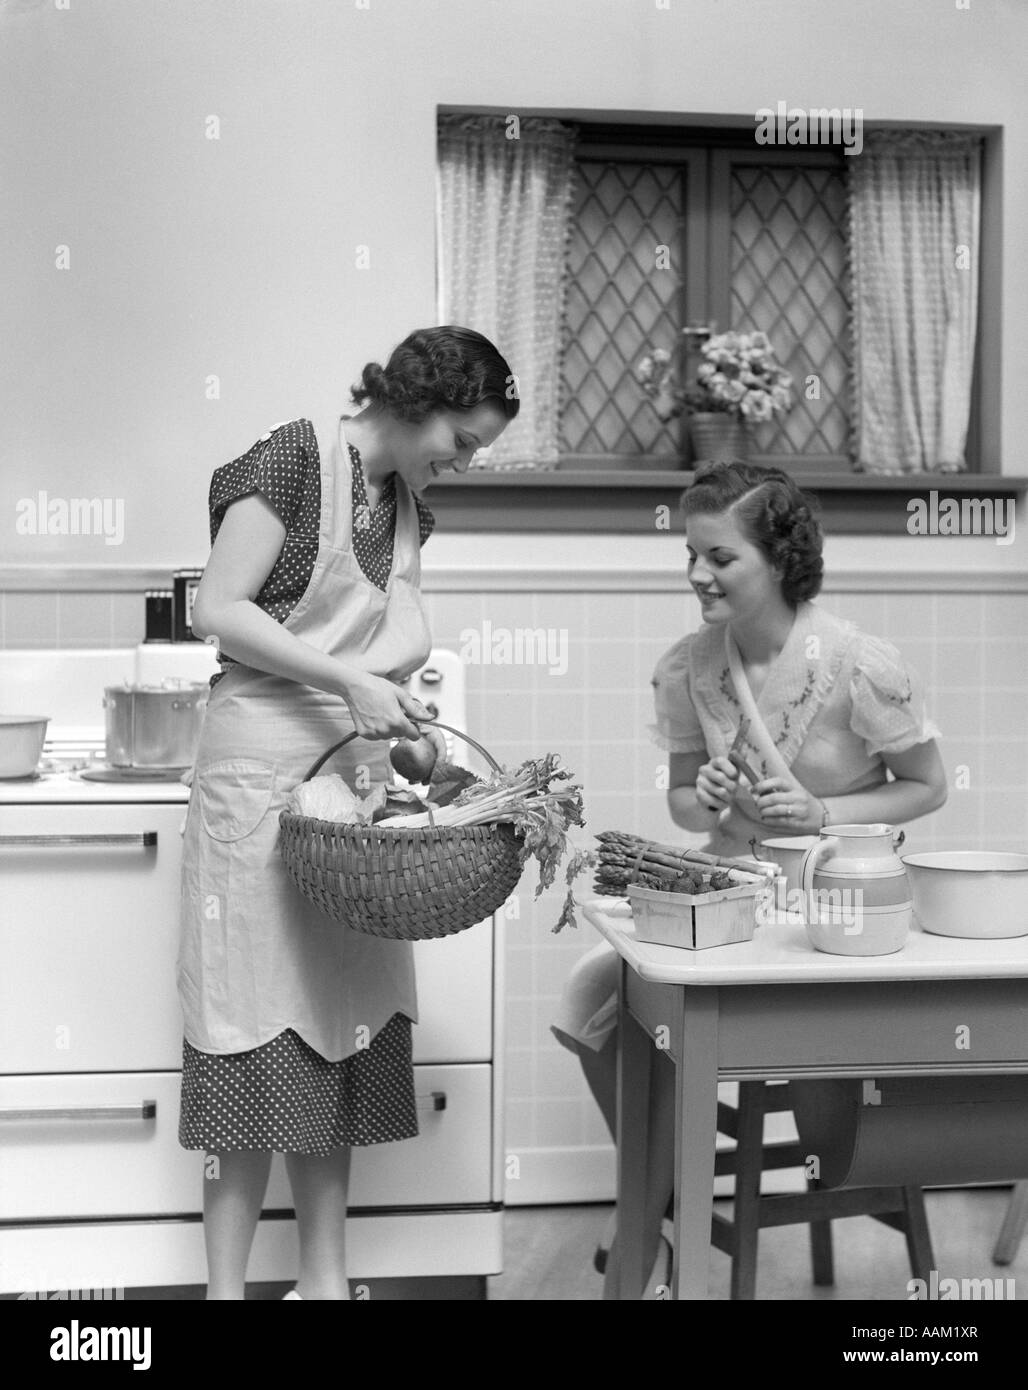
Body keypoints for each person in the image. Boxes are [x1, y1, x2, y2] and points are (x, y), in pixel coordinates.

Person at [177, 326, 517, 1300]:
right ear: (414, 402)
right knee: (248, 1035)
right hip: (256, 782)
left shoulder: (409, 510)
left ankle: (324, 1282)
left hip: (347, 797)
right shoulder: (289, 461)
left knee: (337, 1027)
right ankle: (225, 1292)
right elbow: (219, 605)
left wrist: (405, 732)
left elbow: (379, 670)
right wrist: (345, 683)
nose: (463, 460)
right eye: (462, 436)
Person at [552, 461, 948, 1295]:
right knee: (592, 999)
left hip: (836, 897)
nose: (698, 574)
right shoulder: (687, 668)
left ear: (780, 557)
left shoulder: (858, 663)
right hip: (734, 886)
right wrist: (705, 797)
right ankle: (661, 1202)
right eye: (690, 556)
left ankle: (649, 1229)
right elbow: (687, 814)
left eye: (720, 557)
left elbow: (929, 785)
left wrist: (819, 814)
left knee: (697, 1018)